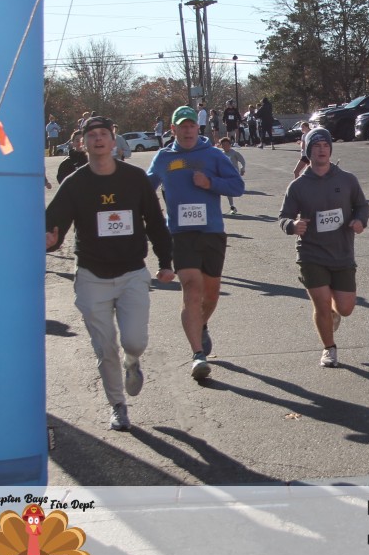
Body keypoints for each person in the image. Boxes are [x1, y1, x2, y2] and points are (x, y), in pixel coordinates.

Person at [45, 115, 175, 431]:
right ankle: (118, 405)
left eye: (104, 134)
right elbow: (53, 226)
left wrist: (166, 262)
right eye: (92, 135)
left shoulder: (135, 179)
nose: (99, 139)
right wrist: (50, 240)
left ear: (114, 141)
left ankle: (133, 361)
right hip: (92, 276)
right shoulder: (75, 183)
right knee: (105, 349)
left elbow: (155, 223)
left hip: (132, 273)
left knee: (134, 341)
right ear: (83, 143)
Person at [146, 106, 244, 380]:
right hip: (180, 234)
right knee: (191, 288)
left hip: (211, 233)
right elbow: (143, 188)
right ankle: (198, 355)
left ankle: (201, 325)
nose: (188, 130)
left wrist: (209, 183)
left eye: (192, 126)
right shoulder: (164, 158)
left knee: (210, 296)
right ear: (173, 129)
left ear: (197, 129)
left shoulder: (213, 155)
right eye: (183, 126)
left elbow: (237, 187)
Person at [278, 127, 369, 368]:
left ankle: (334, 314)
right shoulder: (298, 186)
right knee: (321, 303)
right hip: (311, 254)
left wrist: (360, 221)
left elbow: (361, 206)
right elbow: (283, 217)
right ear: (308, 151)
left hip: (342, 252)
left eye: (326, 145)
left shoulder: (347, 180)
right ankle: (329, 349)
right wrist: (292, 225)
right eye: (316, 146)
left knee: (346, 308)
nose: (322, 150)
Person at [219, 137, 245, 215]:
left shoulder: (234, 153)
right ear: (221, 146)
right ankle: (232, 207)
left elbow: (242, 161)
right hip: (224, 175)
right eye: (223, 145)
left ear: (230, 145)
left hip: (233, 175)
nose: (225, 146)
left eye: (227, 144)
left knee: (229, 191)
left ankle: (232, 206)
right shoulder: (221, 154)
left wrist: (242, 168)